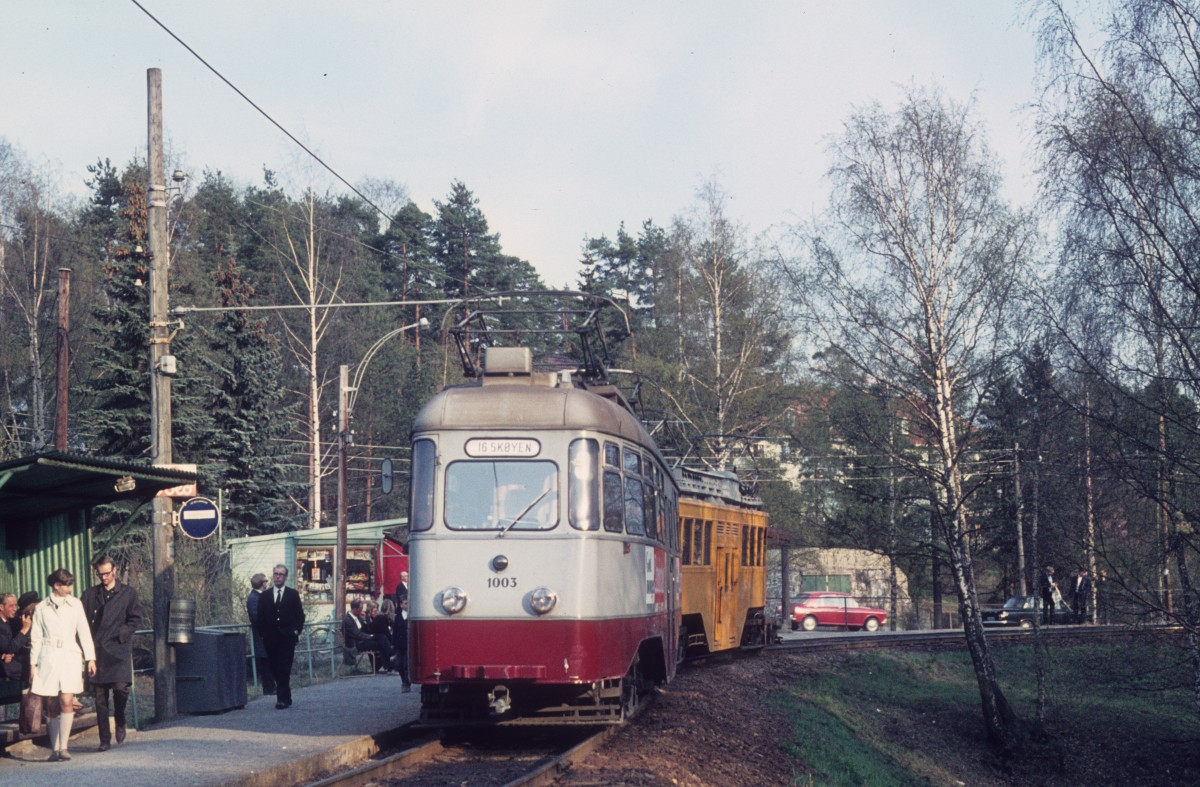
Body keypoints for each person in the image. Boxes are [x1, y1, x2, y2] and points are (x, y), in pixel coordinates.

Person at [30, 568, 96, 762]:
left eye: (70, 584)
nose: (69, 588)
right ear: (55, 586)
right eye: (66, 585)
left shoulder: (76, 605)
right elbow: (36, 638)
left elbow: (84, 632)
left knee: (67, 700)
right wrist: (32, 665)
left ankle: (64, 747)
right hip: (48, 657)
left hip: (70, 655)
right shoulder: (41, 608)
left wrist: (91, 657)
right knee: (51, 705)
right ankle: (54, 748)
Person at [81, 556, 144, 751]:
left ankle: (120, 717)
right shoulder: (91, 594)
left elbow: (135, 618)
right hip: (98, 650)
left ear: (114, 571)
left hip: (118, 649)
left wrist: (122, 634)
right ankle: (104, 739)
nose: (104, 577)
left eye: (107, 573)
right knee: (100, 698)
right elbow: (81, 622)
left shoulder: (128, 593)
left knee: (120, 688)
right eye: (100, 574)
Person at [258, 564, 304, 709]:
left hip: (287, 638)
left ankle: (281, 699)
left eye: (281, 574)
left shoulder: (292, 594)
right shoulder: (265, 596)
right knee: (274, 668)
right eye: (276, 573)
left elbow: (300, 616)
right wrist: (263, 634)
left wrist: (296, 631)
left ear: (285, 577)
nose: (278, 576)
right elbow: (260, 617)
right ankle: (286, 695)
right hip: (270, 638)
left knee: (284, 667)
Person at [245, 573, 276, 695]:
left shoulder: (261, 596)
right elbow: (255, 618)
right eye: (265, 582)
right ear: (262, 583)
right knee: (266, 662)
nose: (267, 584)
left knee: (270, 661)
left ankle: (272, 687)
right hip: (262, 635)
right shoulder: (254, 598)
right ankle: (269, 688)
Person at [343, 599, 392, 671]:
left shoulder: (358, 616)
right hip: (356, 644)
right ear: (353, 608)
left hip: (363, 640)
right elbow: (357, 634)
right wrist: (370, 636)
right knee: (381, 639)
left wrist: (365, 620)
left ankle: (386, 666)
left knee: (381, 638)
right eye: (359, 609)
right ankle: (390, 657)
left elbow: (365, 629)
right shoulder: (348, 620)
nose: (361, 611)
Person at [0, 592, 32, 683]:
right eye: (11, 606)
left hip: (7, 659)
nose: (15, 609)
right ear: (1, 607)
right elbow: (10, 647)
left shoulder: (9, 621)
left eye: (16, 605)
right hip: (3, 664)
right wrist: (25, 629)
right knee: (27, 670)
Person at [394, 596, 411, 692]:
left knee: (406, 665)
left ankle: (406, 683)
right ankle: (403, 680)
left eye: (408, 603)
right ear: (401, 605)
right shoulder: (398, 617)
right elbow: (395, 630)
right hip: (400, 644)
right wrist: (393, 643)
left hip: (408, 644)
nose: (406, 605)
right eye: (405, 603)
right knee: (398, 664)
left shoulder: (411, 616)